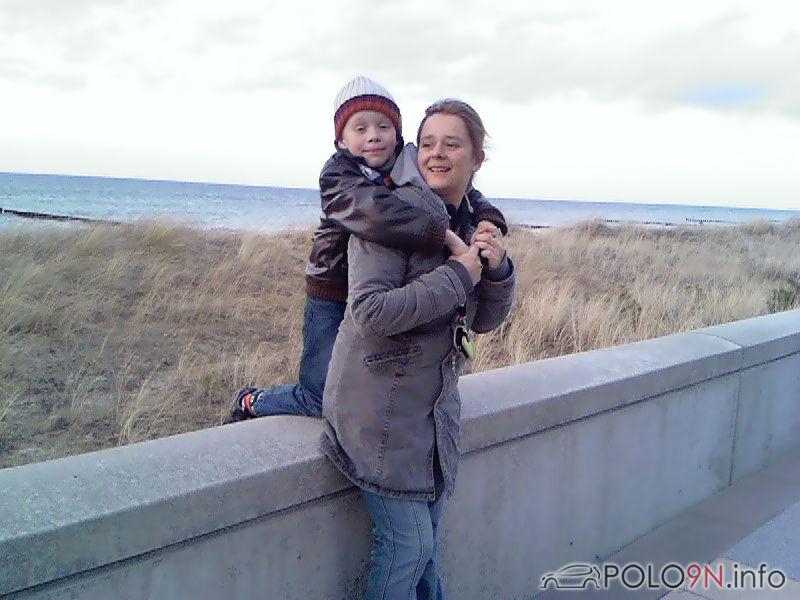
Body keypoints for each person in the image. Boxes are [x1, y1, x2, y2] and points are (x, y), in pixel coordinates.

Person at [225, 77, 506, 423]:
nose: (373, 136)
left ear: (398, 134)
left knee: (355, 384)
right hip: (331, 289)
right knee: (321, 393)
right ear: (341, 140)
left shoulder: (406, 164)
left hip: (371, 291)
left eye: (383, 126)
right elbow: (373, 212)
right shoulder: (338, 175)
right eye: (360, 128)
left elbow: (469, 191)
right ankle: (253, 401)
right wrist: (442, 235)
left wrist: (489, 217)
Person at [321, 99, 515, 599]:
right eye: (427, 143)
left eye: (452, 144)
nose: (436, 154)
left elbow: (484, 320)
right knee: (407, 547)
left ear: (477, 157)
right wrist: (459, 274)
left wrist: (496, 271)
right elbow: (371, 312)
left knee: (424, 555)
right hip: (379, 414)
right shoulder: (392, 214)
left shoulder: (471, 221)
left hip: (430, 418)